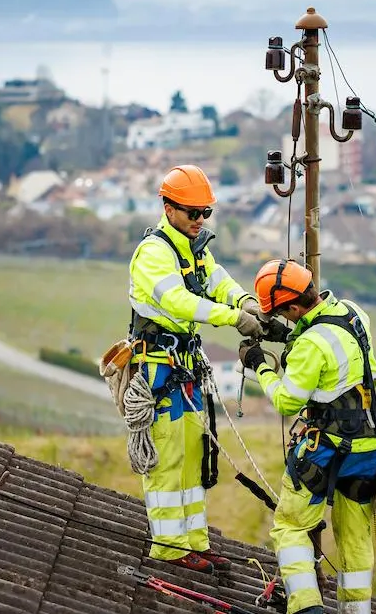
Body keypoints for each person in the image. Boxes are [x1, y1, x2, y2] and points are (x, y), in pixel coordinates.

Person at [127, 164, 265, 574]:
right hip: (158, 372)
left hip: (183, 369)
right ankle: (169, 548)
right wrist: (230, 317)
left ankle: (194, 542)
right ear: (168, 208)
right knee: (168, 458)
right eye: (193, 213)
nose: (200, 220)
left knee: (192, 458)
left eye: (205, 212)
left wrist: (243, 301)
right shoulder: (154, 253)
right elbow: (180, 303)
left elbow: (218, 279)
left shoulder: (195, 248)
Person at [238, 259, 376, 614]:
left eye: (283, 313)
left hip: (326, 449)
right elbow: (335, 348)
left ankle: (307, 607)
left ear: (292, 306)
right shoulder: (354, 313)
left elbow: (287, 401)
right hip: (369, 446)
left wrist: (260, 363)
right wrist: (286, 333)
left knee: (290, 528)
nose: (284, 318)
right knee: (354, 539)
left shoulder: (310, 345)